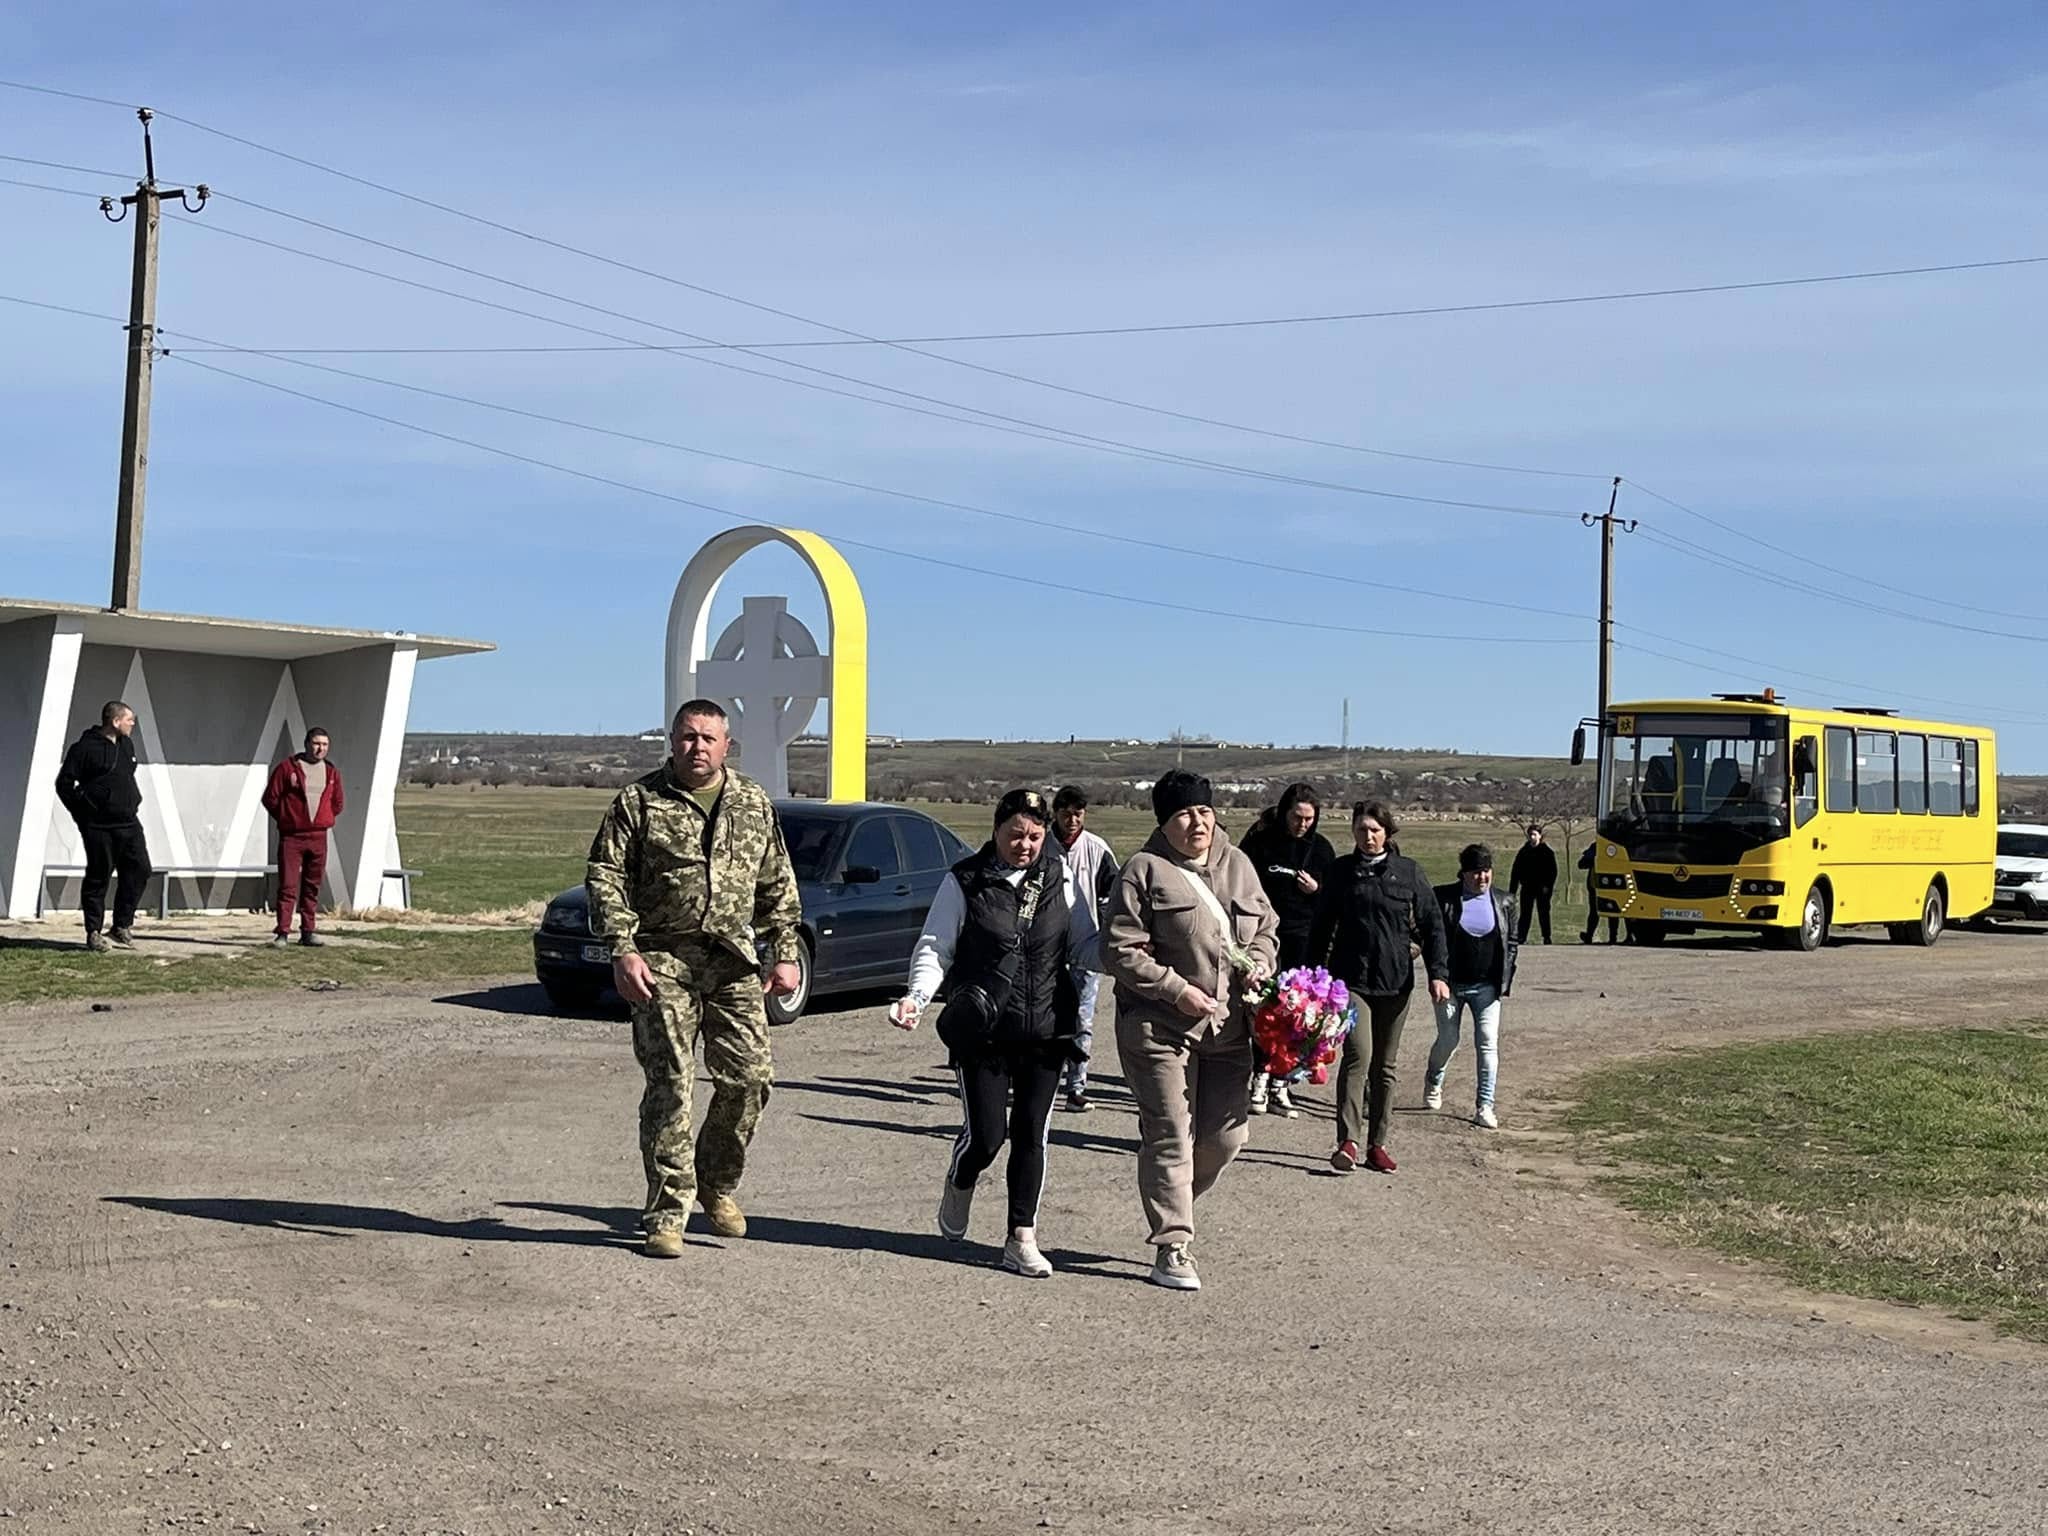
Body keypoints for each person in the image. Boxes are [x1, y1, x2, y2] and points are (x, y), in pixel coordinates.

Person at [585, 700, 804, 1260]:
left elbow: (776, 881)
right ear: (672, 740)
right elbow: (605, 875)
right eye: (687, 737)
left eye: (708, 737)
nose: (697, 747)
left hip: (732, 961)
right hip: (663, 959)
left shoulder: (752, 802)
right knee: (671, 1083)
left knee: (751, 1080)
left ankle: (716, 1182)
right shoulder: (639, 801)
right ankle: (666, 1211)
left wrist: (784, 953)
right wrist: (622, 948)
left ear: (726, 744)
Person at [892, 789, 1100, 1278]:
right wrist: (917, 997)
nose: (1024, 845)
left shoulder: (1061, 878)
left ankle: (1020, 1237)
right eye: (1015, 835)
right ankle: (961, 1178)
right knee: (987, 1137)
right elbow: (935, 945)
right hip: (984, 1030)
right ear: (995, 829)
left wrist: (1129, 953)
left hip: (1048, 1028)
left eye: (1034, 836)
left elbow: (1085, 945)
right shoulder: (965, 880)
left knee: (1032, 1134)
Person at [1102, 770, 1278, 1292]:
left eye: (1203, 810)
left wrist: (1262, 962)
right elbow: (1118, 949)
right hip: (1159, 1025)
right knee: (1170, 1134)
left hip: (1230, 1026)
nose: (1196, 821)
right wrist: (1174, 989)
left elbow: (1266, 927)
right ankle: (1172, 1245)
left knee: (1227, 1139)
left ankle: (1173, 1196)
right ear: (1164, 820)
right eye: (1183, 813)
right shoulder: (1143, 870)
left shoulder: (1239, 865)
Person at [1308, 801, 1450, 1175]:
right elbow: (1321, 926)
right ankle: (1348, 1141)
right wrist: (1310, 976)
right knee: (1359, 1057)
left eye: (1374, 830)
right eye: (1361, 830)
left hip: (1395, 982)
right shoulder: (1339, 872)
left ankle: (1378, 1144)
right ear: (1353, 832)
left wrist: (1439, 973)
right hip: (1350, 981)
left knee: (1385, 1068)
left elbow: (1433, 925)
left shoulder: (1408, 873)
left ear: (1387, 832)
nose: (1368, 837)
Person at [1237, 782, 1335, 1116]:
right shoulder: (1260, 844)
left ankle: (1281, 1080)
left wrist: (1318, 889)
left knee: (1295, 1014)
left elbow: (1335, 901)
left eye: (1309, 818)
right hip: (1265, 940)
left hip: (1303, 943)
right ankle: (1258, 1077)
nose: (1303, 824)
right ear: (1284, 813)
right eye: (1297, 817)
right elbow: (1237, 884)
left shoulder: (1321, 849)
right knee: (1263, 1011)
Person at [1426, 844, 1518, 1130]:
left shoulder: (1505, 902)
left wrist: (1505, 980)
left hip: (1487, 988)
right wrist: (1436, 976)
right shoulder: (1444, 899)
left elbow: (1511, 944)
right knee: (1448, 1039)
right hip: (1450, 985)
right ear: (1463, 873)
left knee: (1487, 1043)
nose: (1482, 878)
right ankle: (1433, 1080)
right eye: (1476, 872)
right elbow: (1432, 940)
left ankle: (1485, 1105)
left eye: (1487, 872)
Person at [53, 701, 152, 953]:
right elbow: (64, 784)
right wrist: (83, 811)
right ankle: (94, 932)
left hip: (129, 821)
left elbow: (125, 776)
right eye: (129, 720)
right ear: (115, 721)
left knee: (140, 869)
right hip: (98, 826)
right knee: (99, 876)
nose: (132, 724)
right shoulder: (84, 748)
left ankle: (121, 925)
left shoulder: (126, 745)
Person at [1049, 785, 1119, 1113]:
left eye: (1078, 814)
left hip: (1086, 944)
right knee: (1040, 1015)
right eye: (1065, 814)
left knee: (1082, 1018)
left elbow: (1113, 896)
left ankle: (1076, 1085)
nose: (1072, 820)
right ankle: (1038, 1079)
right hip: (1045, 944)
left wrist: (1110, 937)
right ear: (1055, 813)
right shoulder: (1041, 846)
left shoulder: (1097, 849)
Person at [260, 727, 344, 948]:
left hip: (319, 837)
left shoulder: (332, 772)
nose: (320, 749)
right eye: (316, 743)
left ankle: (308, 930)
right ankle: (283, 932)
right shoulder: (288, 768)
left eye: (325, 745)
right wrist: (287, 818)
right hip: (292, 837)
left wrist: (323, 819)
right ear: (307, 743)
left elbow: (337, 803)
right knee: (288, 885)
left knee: (312, 886)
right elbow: (270, 798)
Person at [1508, 823, 1557, 944]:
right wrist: (1513, 890)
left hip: (1542, 888)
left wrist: (1548, 886)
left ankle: (1546, 936)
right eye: (1530, 835)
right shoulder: (1523, 852)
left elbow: (1552, 872)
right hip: (1527, 887)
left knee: (1543, 913)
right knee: (1525, 913)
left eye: (1535, 834)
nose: (1532, 837)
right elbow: (1516, 871)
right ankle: (1521, 937)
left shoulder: (1547, 852)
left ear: (1540, 836)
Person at [1578, 842, 1621, 944]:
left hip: (1609, 884)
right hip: (1596, 885)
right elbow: (1581, 864)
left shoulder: (1601, 846)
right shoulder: (1597, 846)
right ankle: (1591, 936)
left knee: (1610, 911)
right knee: (1596, 911)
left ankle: (1612, 937)